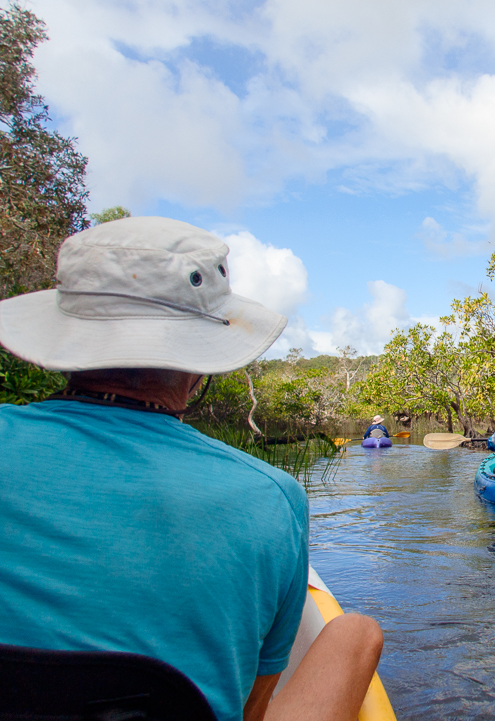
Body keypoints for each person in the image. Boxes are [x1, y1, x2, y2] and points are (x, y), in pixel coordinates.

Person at [0, 217, 382, 721]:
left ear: (66, 337)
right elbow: (252, 706)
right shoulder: (271, 495)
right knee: (357, 631)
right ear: (198, 362)